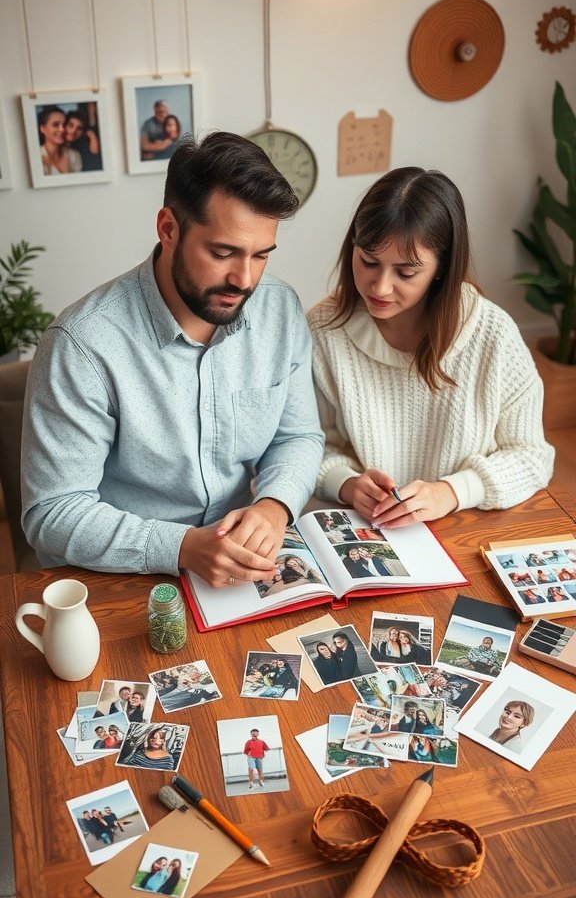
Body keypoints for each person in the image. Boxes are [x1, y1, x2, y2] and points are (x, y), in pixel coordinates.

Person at [21, 131, 323, 583]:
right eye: (223, 253)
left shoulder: (279, 310)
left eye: (261, 255)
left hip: (242, 573)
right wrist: (180, 546)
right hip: (123, 577)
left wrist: (273, 506)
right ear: (168, 229)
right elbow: (53, 511)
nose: (243, 279)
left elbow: (298, 436)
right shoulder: (82, 344)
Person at [307, 166, 554, 526]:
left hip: (463, 527)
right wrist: (345, 483)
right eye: (368, 262)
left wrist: (453, 491)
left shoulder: (493, 334)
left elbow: (533, 457)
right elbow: (303, 443)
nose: (379, 287)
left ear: (442, 267)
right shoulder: (325, 328)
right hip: (363, 529)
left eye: (405, 273)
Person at [38, 104, 82, 176]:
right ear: (43, 129)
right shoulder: (35, 158)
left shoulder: (75, 156)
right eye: (55, 124)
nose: (62, 129)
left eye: (64, 124)